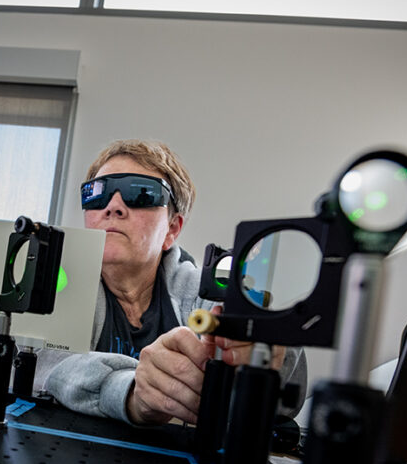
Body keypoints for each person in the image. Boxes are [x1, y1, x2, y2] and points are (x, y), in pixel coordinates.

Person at [36, 139, 307, 426]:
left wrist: (268, 356)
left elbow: (288, 391)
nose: (113, 206)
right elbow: (44, 365)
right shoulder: (59, 285)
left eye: (140, 193)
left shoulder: (208, 294)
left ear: (172, 229)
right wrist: (131, 392)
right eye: (96, 194)